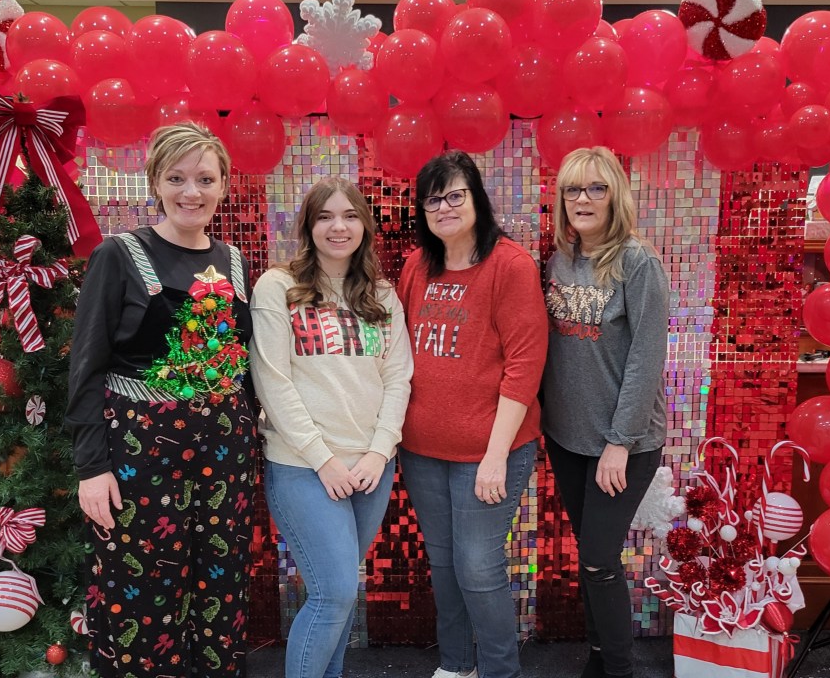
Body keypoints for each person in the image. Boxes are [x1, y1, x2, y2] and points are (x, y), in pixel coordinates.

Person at [67, 123, 258, 677]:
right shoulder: (119, 254)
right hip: (140, 458)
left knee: (221, 589)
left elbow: (239, 365)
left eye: (204, 178)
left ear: (223, 185)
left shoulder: (235, 261)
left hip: (224, 455)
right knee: (142, 592)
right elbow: (85, 368)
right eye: (176, 178)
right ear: (155, 182)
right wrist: (92, 467)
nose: (190, 192)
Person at [249, 176, 413, 678]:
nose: (338, 227)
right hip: (303, 466)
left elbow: (399, 378)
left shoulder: (382, 294)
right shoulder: (278, 287)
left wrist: (378, 453)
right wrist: (323, 459)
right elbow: (273, 384)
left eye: (348, 216)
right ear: (308, 226)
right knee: (334, 591)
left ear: (364, 224)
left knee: (339, 594)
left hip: (369, 469)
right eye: (325, 217)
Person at [397, 151, 547, 678]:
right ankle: (456, 666)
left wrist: (495, 456)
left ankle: (500, 671)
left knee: (479, 569)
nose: (444, 207)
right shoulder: (416, 267)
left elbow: (525, 369)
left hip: (488, 452)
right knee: (444, 566)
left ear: (477, 199)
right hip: (421, 451)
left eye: (455, 195)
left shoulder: (511, 265)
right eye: (433, 199)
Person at [541, 146, 669, 678]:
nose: (583, 199)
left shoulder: (638, 263)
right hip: (567, 437)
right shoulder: (559, 259)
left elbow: (645, 359)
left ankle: (619, 669)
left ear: (616, 195)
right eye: (573, 189)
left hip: (624, 443)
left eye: (596, 188)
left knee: (597, 559)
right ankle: (598, 657)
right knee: (591, 558)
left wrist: (619, 441)